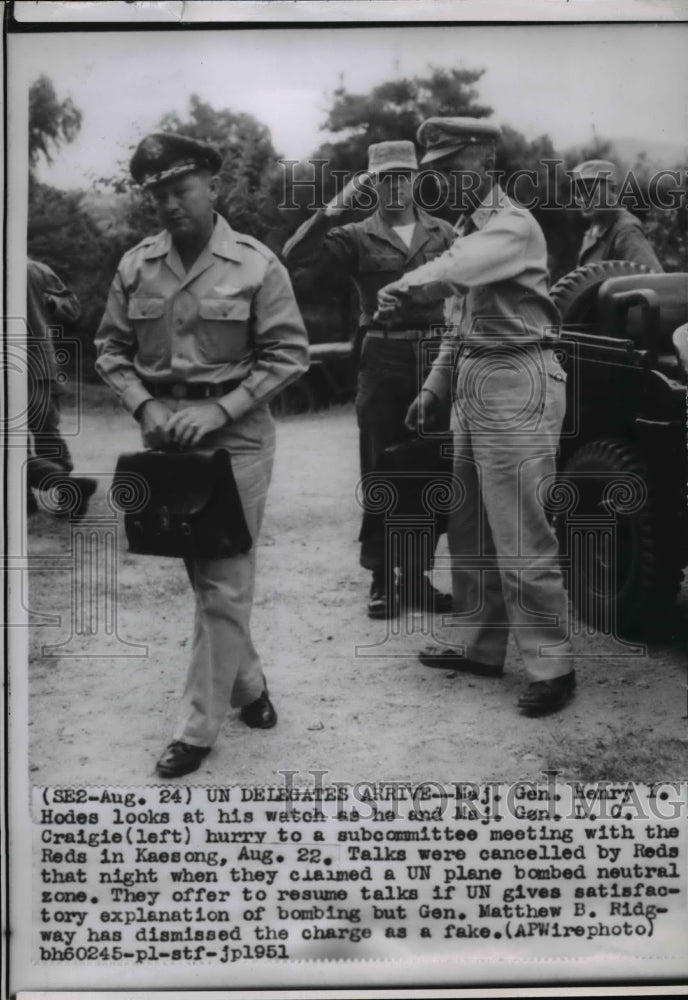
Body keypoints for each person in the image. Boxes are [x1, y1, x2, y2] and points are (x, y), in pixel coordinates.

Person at [95, 132, 309, 777]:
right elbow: (109, 349)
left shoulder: (255, 263)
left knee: (222, 575)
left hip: (234, 435)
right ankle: (248, 685)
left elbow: (288, 355)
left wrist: (221, 408)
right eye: (156, 194)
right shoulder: (136, 265)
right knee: (202, 571)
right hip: (163, 436)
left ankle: (195, 729)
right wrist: (145, 406)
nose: (168, 204)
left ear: (213, 188)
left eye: (180, 190)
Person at [377, 117, 576, 716]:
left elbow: (453, 274)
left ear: (485, 159)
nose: (445, 179)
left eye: (454, 165)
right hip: (479, 378)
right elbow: (461, 323)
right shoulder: (471, 231)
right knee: (470, 530)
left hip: (518, 378)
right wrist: (436, 387)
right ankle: (481, 645)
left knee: (520, 532)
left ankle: (551, 664)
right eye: (435, 170)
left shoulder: (508, 225)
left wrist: (405, 283)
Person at [283, 141, 455, 619]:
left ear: (417, 178)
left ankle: (417, 577)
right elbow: (295, 255)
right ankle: (381, 577)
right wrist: (331, 209)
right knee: (380, 466)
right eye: (385, 178)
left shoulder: (443, 233)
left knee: (428, 467)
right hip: (382, 358)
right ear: (371, 183)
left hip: (435, 356)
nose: (395, 186)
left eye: (403, 176)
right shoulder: (356, 234)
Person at [26, 259, 97, 518]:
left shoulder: (34, 270)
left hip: (36, 364)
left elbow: (73, 308)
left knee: (45, 433)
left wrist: (51, 303)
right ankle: (27, 498)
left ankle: (68, 493)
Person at [571, 159, 663, 270]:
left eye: (590, 191)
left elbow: (654, 278)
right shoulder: (594, 230)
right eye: (578, 193)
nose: (583, 199)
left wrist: (611, 287)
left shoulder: (626, 231)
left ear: (613, 191)